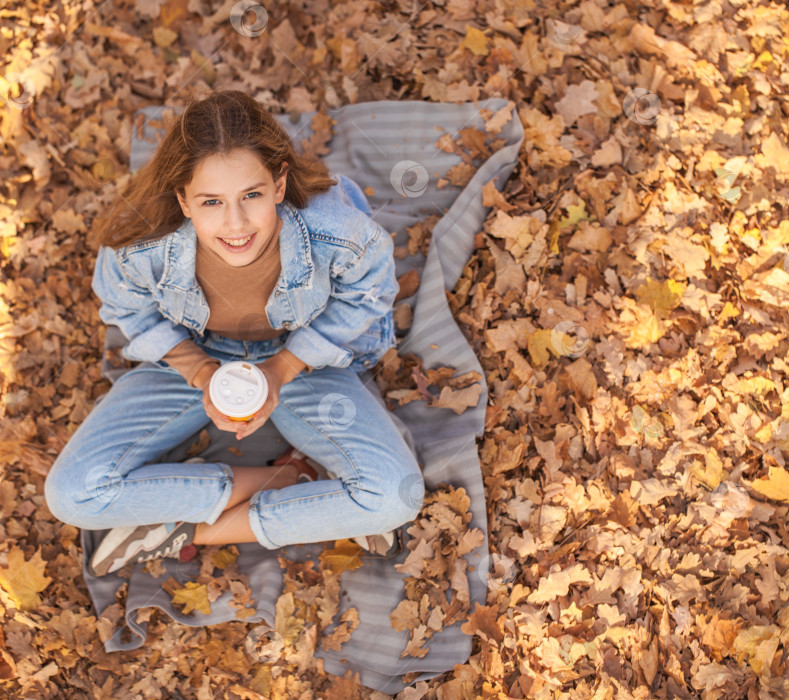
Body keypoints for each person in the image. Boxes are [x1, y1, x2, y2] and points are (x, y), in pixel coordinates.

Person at [44, 90, 425, 577]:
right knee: (72, 493)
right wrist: (200, 371)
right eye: (210, 202)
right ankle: (293, 479)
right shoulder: (141, 243)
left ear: (279, 184)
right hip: (195, 354)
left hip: (300, 358)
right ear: (183, 199)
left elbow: (368, 296)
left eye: (252, 195)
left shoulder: (338, 231)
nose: (236, 223)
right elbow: (126, 308)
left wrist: (283, 369)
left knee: (394, 495)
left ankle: (184, 528)